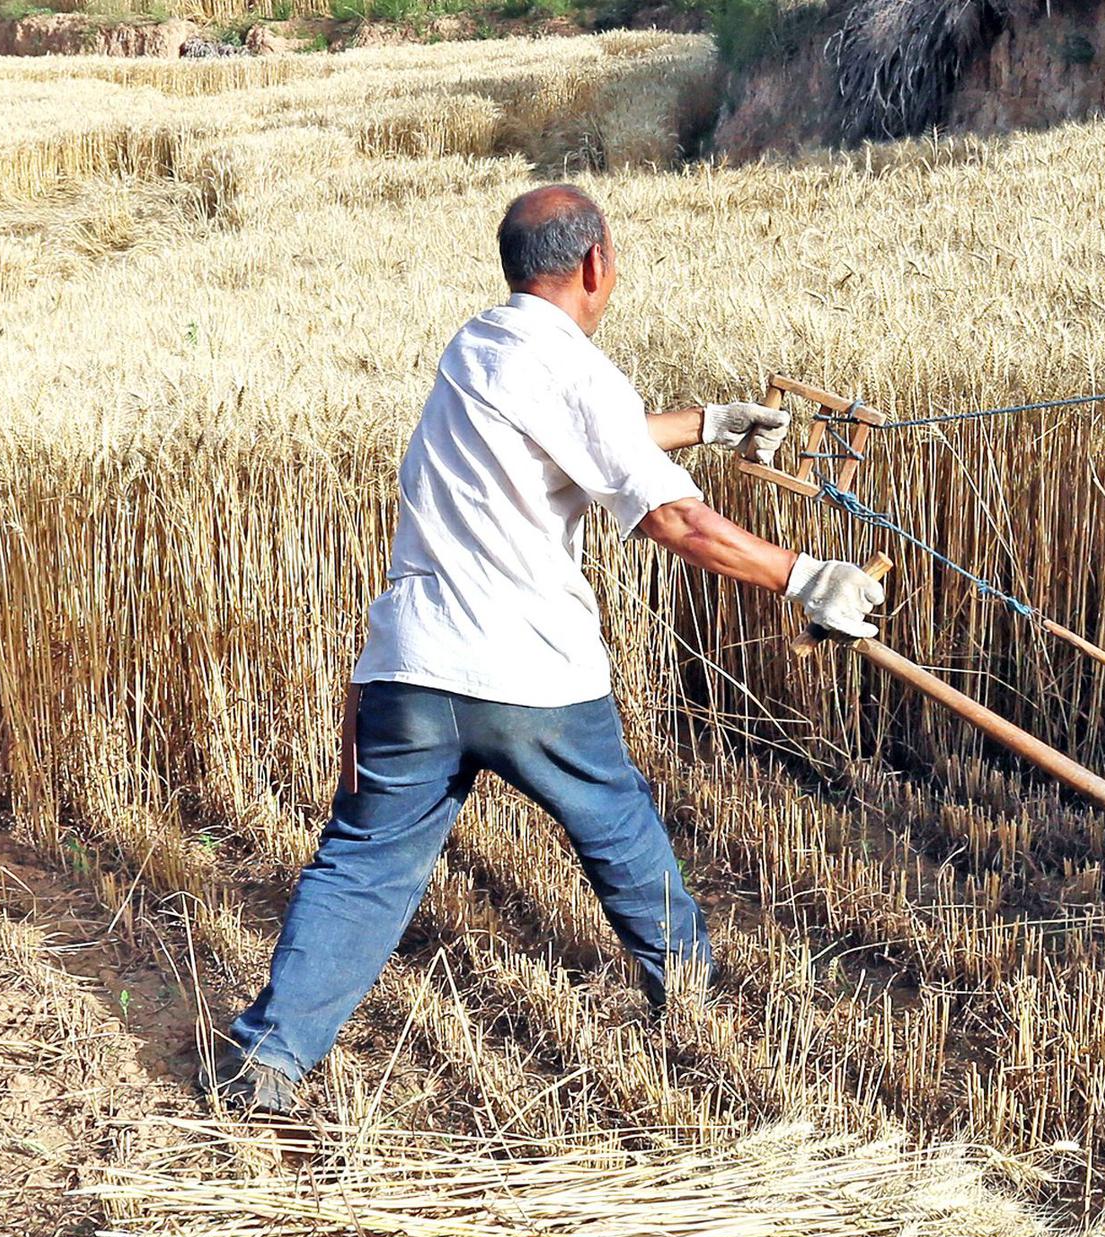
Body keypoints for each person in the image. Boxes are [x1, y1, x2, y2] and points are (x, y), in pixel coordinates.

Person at [203, 183, 886, 1115]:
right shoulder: (580, 373)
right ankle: (691, 1002)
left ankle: (268, 1058)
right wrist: (809, 577)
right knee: (618, 828)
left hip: (407, 668)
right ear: (596, 264)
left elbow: (565, 443)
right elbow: (674, 517)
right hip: (528, 672)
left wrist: (705, 423)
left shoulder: (473, 349)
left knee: (362, 863)